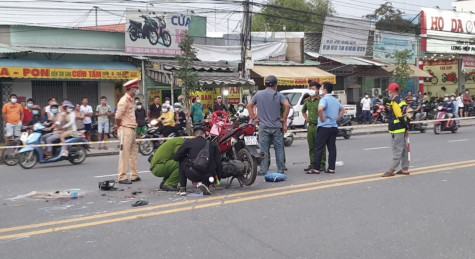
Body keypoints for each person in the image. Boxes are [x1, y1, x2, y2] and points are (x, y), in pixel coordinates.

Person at [247, 75, 291, 175]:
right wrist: (284, 119)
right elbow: (287, 106)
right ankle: (280, 169)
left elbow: (249, 105)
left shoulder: (258, 94)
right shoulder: (278, 95)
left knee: (264, 149)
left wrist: (254, 118)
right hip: (276, 126)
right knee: (279, 148)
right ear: (275, 85)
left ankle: (263, 170)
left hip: (263, 126)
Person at [307, 83, 344, 174]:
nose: (320, 90)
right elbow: (342, 109)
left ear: (325, 90)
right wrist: (337, 118)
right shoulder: (335, 100)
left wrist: (322, 118)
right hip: (333, 127)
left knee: (318, 148)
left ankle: (316, 168)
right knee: (332, 148)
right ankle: (331, 168)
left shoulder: (324, 99)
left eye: (322, 88)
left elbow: (320, 109)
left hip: (324, 127)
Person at [174, 126, 222, 196]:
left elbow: (176, 157)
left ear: (194, 135)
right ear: (204, 135)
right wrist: (217, 179)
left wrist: (187, 156)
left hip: (193, 174)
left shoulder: (189, 142)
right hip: (209, 176)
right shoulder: (212, 144)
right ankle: (206, 184)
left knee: (182, 161)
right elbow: (218, 163)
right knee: (210, 163)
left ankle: (183, 189)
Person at [114, 78, 140, 184]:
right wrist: (119, 126)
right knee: (124, 154)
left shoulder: (131, 100)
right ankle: (122, 177)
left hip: (132, 129)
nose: (137, 90)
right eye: (136, 88)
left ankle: (134, 175)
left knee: (134, 153)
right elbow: (118, 116)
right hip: (125, 129)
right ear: (132, 89)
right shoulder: (124, 101)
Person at [381, 83, 410, 177]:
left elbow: (399, 115)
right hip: (402, 128)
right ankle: (405, 169)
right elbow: (406, 114)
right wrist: (406, 128)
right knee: (404, 149)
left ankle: (392, 170)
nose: (388, 93)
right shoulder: (402, 100)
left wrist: (404, 127)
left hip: (397, 129)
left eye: (389, 91)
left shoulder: (395, 102)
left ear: (392, 91)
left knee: (397, 150)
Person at [301, 82, 326, 172]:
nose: (311, 90)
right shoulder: (307, 101)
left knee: (321, 146)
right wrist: (306, 119)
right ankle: (313, 163)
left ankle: (322, 164)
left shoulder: (321, 100)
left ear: (318, 90)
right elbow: (303, 111)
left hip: (319, 126)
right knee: (311, 146)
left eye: (313, 88)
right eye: (310, 89)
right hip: (310, 127)